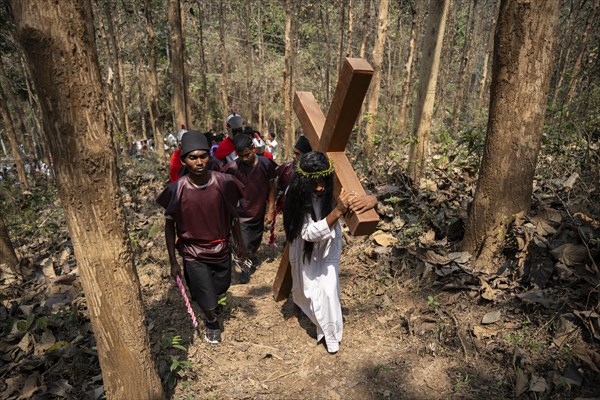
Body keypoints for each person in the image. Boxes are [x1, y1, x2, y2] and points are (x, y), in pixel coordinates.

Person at [157, 131, 247, 344]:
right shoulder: (176, 189)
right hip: (193, 252)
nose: (199, 162)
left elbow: (234, 218)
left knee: (221, 286)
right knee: (205, 293)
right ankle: (211, 322)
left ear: (210, 156)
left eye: (203, 156)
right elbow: (169, 227)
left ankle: (211, 304)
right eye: (193, 157)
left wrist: (240, 245)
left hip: (221, 248)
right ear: (184, 161)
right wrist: (173, 261)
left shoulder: (225, 183)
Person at [283, 151, 377, 354]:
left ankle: (331, 336)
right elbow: (307, 233)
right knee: (305, 288)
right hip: (303, 247)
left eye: (322, 182)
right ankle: (300, 310)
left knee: (328, 289)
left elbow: (360, 197)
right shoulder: (294, 194)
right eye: (313, 183)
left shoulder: (334, 185)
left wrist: (372, 199)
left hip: (328, 247)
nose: (319, 188)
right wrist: (337, 212)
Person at [222, 134, 277, 283]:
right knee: (243, 243)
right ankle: (245, 269)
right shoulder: (231, 168)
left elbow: (272, 187)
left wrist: (271, 209)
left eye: (247, 154)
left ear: (253, 148)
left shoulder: (266, 164)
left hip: (258, 210)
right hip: (241, 213)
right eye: (241, 156)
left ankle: (251, 257)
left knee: (255, 239)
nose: (245, 158)